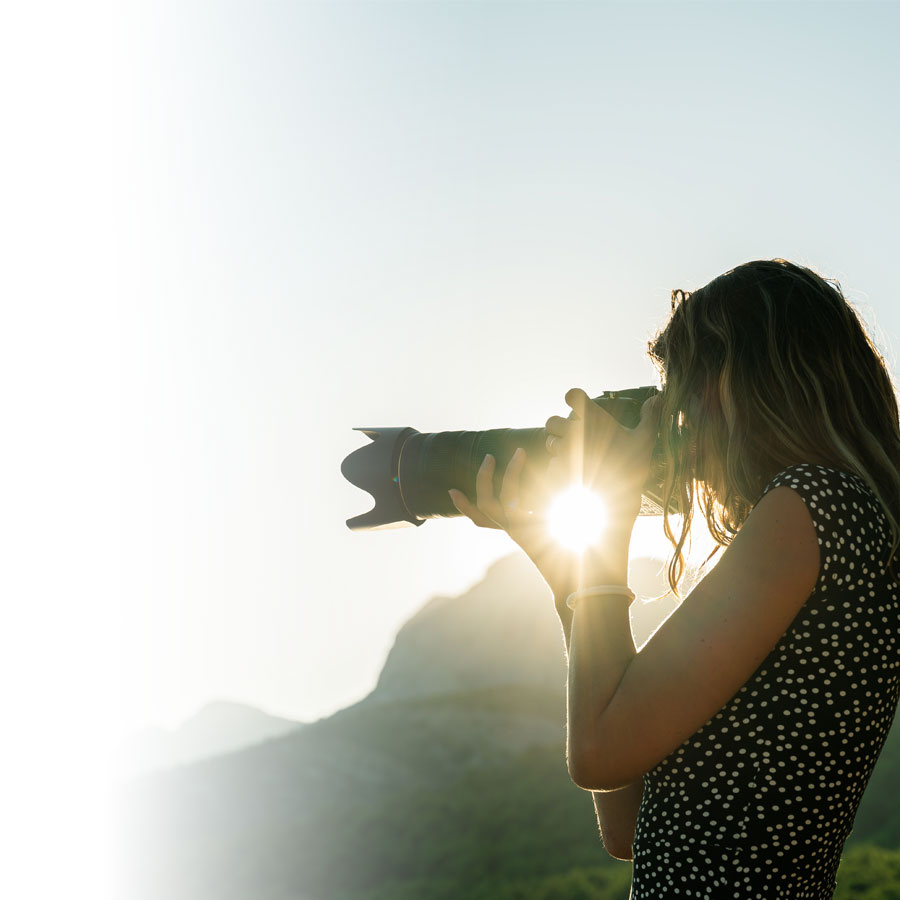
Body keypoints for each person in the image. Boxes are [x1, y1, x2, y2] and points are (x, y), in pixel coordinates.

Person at [448, 258, 900, 899]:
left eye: (682, 386)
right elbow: (627, 821)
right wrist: (570, 583)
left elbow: (598, 755)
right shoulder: (840, 519)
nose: (673, 420)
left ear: (738, 382)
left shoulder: (809, 504)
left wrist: (610, 524)